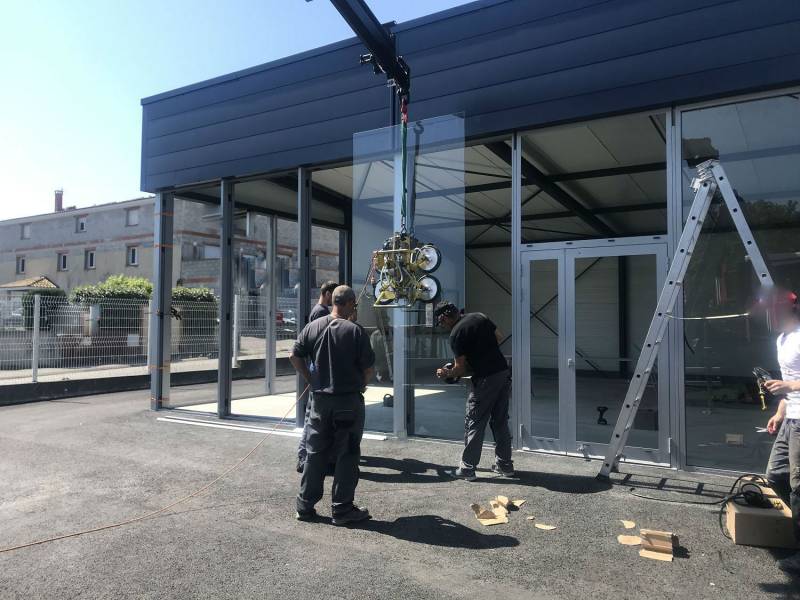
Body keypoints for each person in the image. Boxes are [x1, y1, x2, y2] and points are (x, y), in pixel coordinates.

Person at [290, 285, 375, 525]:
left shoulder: (313, 326)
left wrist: (311, 378)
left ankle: (305, 507)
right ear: (348, 303)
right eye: (354, 305)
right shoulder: (355, 331)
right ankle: (342, 509)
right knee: (347, 454)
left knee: (315, 454)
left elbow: (294, 356)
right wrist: (362, 384)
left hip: (319, 401)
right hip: (348, 400)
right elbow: (368, 369)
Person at [434, 301, 514, 481]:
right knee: (500, 421)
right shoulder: (479, 316)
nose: (442, 325)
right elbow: (499, 337)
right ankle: (505, 465)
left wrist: (446, 372)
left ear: (444, 317)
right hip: (502, 373)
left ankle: (468, 468)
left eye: (441, 322)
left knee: (475, 421)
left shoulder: (456, 334)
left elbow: (460, 369)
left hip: (485, 379)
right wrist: (483, 353)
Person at [764, 289, 800, 574]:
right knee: (775, 475)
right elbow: (787, 381)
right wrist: (779, 412)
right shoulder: (782, 339)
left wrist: (789, 387)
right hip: (790, 419)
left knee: (799, 485)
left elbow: (791, 383)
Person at [296, 280, 341, 471]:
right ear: (329, 294)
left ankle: (308, 456)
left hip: (317, 372)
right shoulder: (321, 313)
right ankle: (304, 457)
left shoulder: (317, 311)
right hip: (318, 373)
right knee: (312, 418)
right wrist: (310, 375)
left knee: (314, 418)